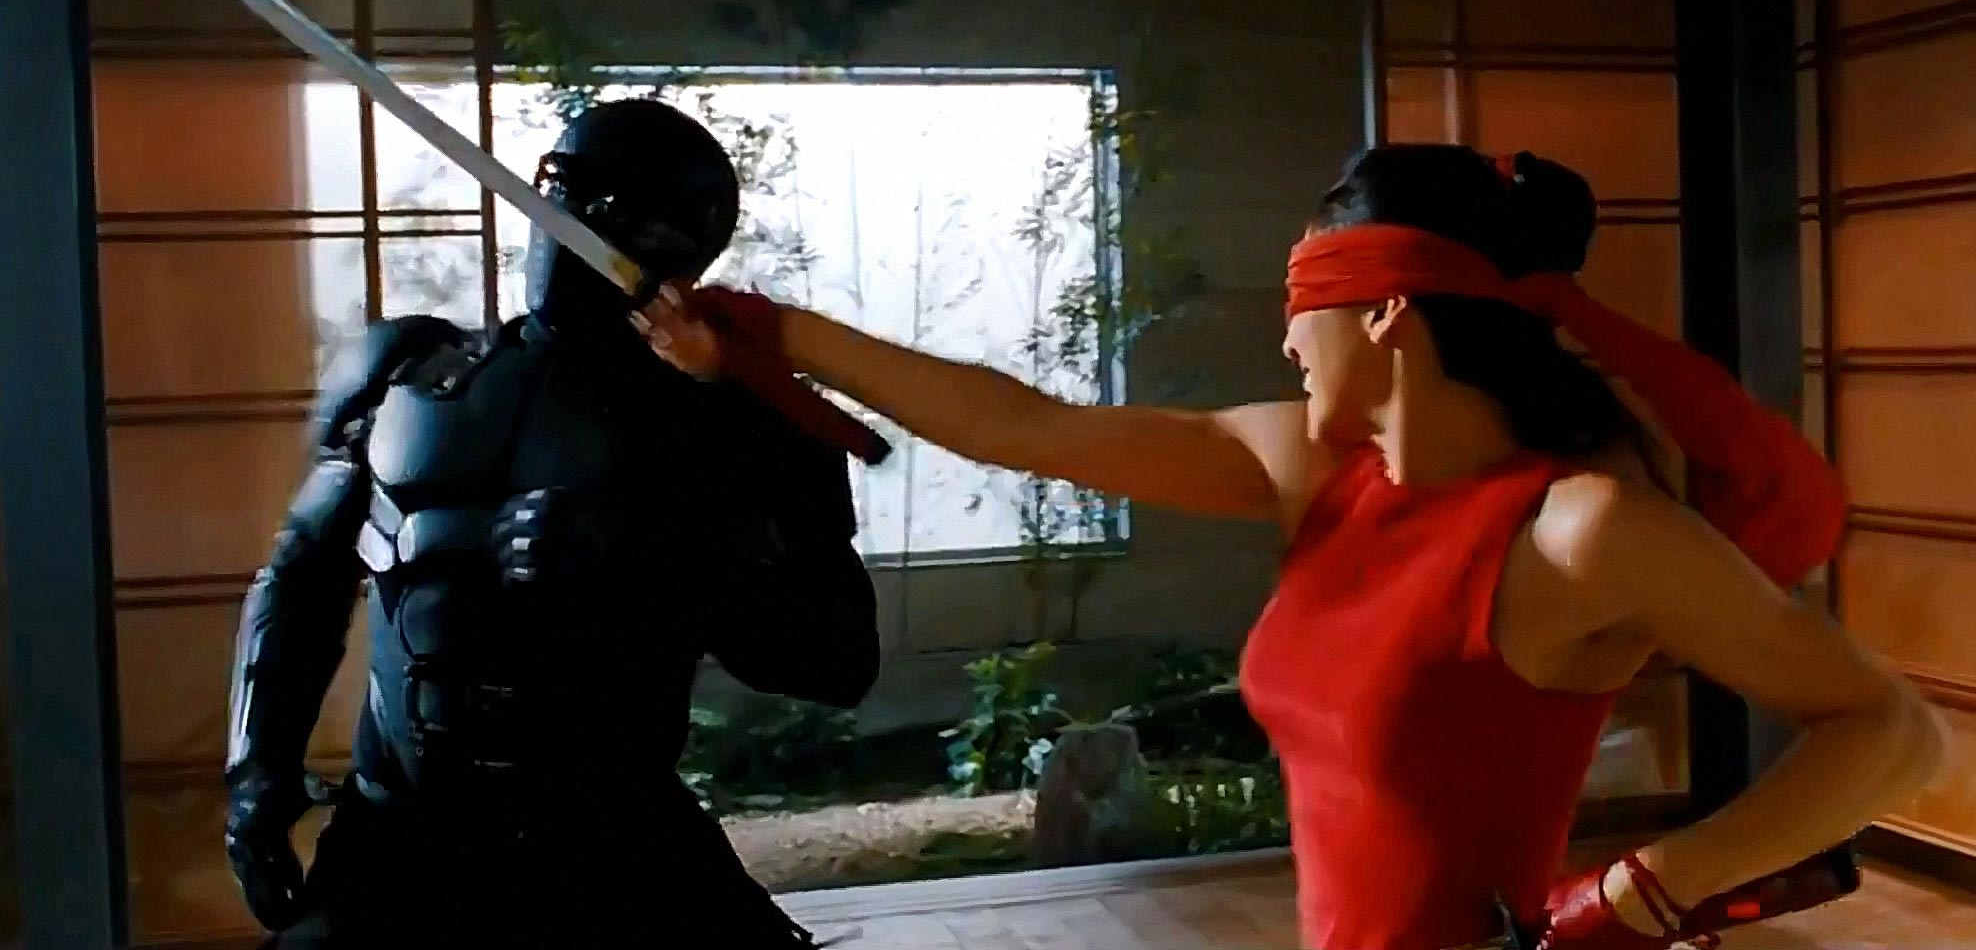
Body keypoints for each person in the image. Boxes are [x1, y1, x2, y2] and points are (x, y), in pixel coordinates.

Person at [640, 145, 1946, 950]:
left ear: (1382, 310)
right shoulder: (1313, 471)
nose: (1282, 341)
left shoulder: (1580, 529)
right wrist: (776, 334)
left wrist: (1646, 894)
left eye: (1297, 305)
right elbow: (1024, 427)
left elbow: (1892, 733)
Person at [223, 98, 882, 949]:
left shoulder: (739, 422)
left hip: (612, 845)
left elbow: (841, 658)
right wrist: (257, 776)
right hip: (395, 844)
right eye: (563, 190)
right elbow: (300, 580)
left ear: (681, 247)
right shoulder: (401, 375)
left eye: (619, 212)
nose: (573, 223)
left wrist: (648, 561)